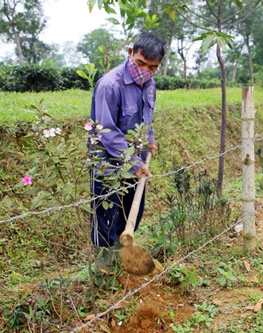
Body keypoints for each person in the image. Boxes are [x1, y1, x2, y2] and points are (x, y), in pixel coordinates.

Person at [88, 32, 165, 280]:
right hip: (108, 164)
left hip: (135, 162)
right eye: (141, 63)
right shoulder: (110, 85)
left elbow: (145, 119)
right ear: (130, 52)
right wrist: (133, 163)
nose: (145, 70)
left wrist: (149, 140)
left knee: (133, 213)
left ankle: (123, 266)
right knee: (107, 219)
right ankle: (104, 272)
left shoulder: (150, 83)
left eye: (152, 67)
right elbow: (106, 130)